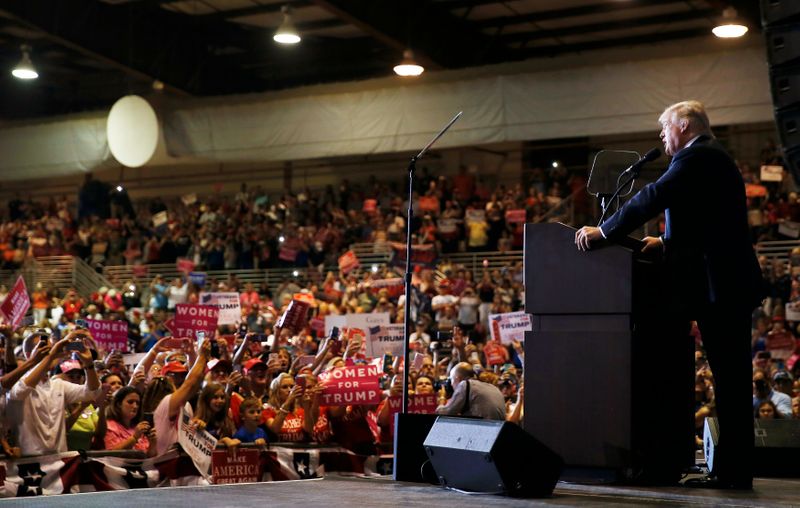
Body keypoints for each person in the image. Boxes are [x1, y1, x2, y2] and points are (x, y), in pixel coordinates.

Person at [575, 101, 763, 489]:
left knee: (730, 381)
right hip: (721, 284)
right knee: (729, 380)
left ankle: (734, 474)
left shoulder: (699, 157)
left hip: (721, 286)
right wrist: (665, 240)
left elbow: (652, 197)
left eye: (664, 127)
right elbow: (704, 219)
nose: (661, 135)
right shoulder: (707, 159)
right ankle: (733, 471)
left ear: (684, 124)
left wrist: (605, 231)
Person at [435, 362, 505, 420]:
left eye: (451, 380)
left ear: (457, 379)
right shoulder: (493, 388)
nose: (451, 384)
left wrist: (442, 398)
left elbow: (445, 414)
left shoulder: (465, 384)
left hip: (482, 431)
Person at [104, 386, 158, 457]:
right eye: (130, 402)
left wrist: (153, 443)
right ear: (119, 404)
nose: (135, 406)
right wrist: (134, 438)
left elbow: (148, 456)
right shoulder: (110, 426)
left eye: (138, 403)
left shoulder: (137, 427)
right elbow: (111, 453)